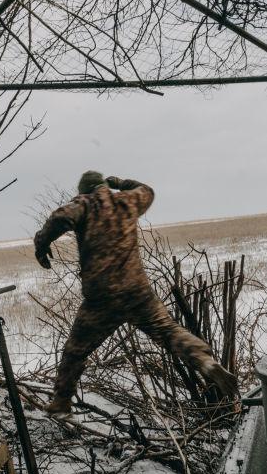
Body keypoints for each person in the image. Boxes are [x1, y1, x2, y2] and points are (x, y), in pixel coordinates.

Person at [33, 170, 238, 415]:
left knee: (75, 351)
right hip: (137, 293)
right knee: (169, 331)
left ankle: (61, 402)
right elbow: (148, 191)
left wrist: (41, 244)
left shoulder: (84, 205)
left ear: (84, 192)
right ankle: (205, 362)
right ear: (104, 187)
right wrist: (119, 184)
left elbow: (60, 217)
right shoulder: (126, 201)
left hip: (102, 299)